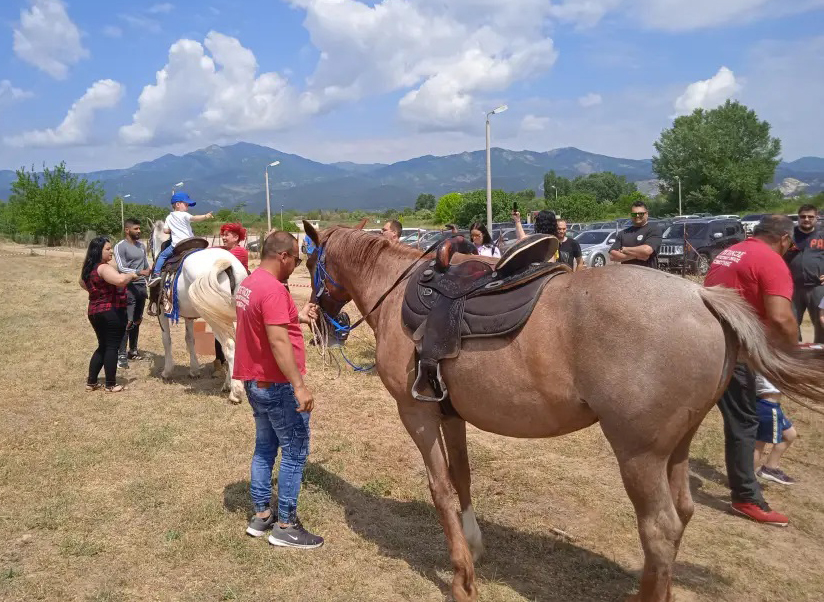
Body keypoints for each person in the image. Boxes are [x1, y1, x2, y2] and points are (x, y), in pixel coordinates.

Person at [704, 214, 797, 526]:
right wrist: (791, 352)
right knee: (744, 423)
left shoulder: (730, 252)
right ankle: (745, 497)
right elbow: (781, 318)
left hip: (705, 342)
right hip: (736, 352)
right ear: (784, 239)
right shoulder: (770, 261)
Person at [233, 230, 323, 549]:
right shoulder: (272, 289)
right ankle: (285, 524)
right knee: (295, 450)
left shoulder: (250, 283)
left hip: (255, 380)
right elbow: (276, 339)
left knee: (265, 447)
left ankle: (261, 515)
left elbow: (263, 321)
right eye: (296, 259)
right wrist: (299, 385)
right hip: (278, 385)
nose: (297, 265)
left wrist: (297, 316)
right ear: (282, 256)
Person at [80, 236, 142, 393]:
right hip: (111, 312)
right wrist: (132, 275)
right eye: (107, 249)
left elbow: (81, 282)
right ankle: (110, 384)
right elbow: (120, 280)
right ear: (97, 251)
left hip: (95, 311)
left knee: (103, 346)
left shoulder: (89, 268)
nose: (111, 251)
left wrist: (97, 292)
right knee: (112, 347)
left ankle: (91, 382)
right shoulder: (103, 268)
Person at [148, 192, 213, 285]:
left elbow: (165, 231)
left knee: (162, 255)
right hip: (191, 242)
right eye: (186, 204)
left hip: (178, 245)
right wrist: (205, 216)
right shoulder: (184, 215)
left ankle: (156, 274)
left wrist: (173, 230)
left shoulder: (169, 217)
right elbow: (194, 218)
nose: (188, 207)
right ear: (178, 204)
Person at [113, 219, 151, 369]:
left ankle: (133, 350)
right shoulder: (120, 246)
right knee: (127, 321)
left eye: (140, 228)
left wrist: (150, 275)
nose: (139, 231)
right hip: (128, 287)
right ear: (127, 230)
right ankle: (121, 353)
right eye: (136, 228)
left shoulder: (141, 246)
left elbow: (146, 265)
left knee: (137, 320)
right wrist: (138, 272)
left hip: (141, 287)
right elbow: (121, 268)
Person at [214, 223, 251, 373]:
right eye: (223, 234)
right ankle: (219, 359)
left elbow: (220, 263)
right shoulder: (225, 250)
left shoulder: (239, 252)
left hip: (239, 295)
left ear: (236, 237)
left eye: (226, 235)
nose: (223, 237)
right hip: (227, 294)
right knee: (218, 327)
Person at [785, 204, 824, 343]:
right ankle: (796, 356)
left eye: (810, 217)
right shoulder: (789, 236)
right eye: (803, 216)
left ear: (816, 217)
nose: (806, 219)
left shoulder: (822, 235)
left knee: (821, 324)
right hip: (793, 288)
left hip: (818, 288)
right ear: (798, 217)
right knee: (791, 324)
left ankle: (820, 358)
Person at [753, 376, 797, 485]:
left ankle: (770, 467)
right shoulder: (764, 361)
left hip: (773, 406)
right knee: (758, 444)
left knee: (790, 434)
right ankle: (746, 480)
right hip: (767, 407)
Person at [609, 201, 662, 268]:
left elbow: (646, 250)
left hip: (648, 276)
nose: (637, 216)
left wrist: (624, 250)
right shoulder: (623, 233)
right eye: (634, 214)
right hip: (627, 275)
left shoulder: (654, 230)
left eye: (640, 213)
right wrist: (636, 256)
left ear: (647, 214)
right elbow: (612, 256)